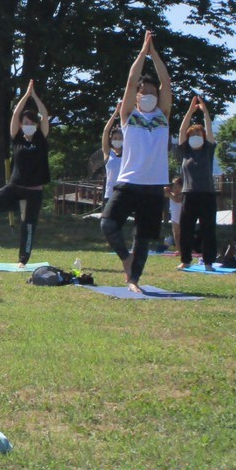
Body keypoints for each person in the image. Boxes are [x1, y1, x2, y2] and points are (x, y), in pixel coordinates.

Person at [101, 32, 172, 293]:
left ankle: (133, 279)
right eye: (144, 93)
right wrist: (142, 54)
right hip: (128, 182)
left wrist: (156, 56)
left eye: (152, 93)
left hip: (153, 186)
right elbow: (131, 83)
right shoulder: (129, 117)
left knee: (143, 238)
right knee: (107, 224)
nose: (147, 96)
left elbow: (166, 82)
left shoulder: (162, 117)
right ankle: (125, 259)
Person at [0, 80, 51, 268]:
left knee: (28, 227)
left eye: (31, 123)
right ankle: (18, 207)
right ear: (21, 125)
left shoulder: (41, 139)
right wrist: (25, 96)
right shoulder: (17, 138)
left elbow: (44, 114)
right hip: (15, 187)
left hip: (34, 190)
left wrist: (34, 96)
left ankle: (23, 261)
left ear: (36, 125)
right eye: (25, 123)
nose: (28, 125)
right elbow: (15, 114)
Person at [176, 96, 219, 269]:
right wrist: (190, 111)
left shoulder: (208, 150)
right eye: (192, 134)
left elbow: (209, 129)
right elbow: (181, 131)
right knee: (186, 229)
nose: (195, 136)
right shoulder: (185, 151)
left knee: (208, 230)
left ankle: (209, 262)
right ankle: (186, 260)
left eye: (197, 134)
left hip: (207, 194)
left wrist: (205, 112)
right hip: (189, 194)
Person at [100, 105, 122, 204]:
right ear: (111, 139)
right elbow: (105, 132)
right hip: (109, 195)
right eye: (115, 138)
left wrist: (123, 114)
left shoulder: (128, 153)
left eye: (120, 138)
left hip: (124, 194)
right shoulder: (108, 153)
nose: (117, 140)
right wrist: (115, 114)